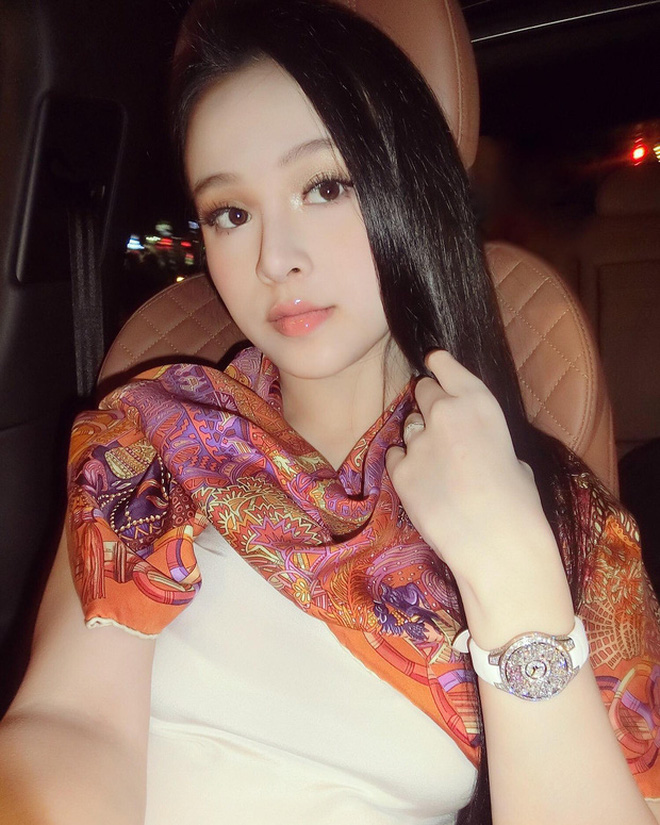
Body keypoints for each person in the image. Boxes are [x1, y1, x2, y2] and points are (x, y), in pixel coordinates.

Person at [2, 1, 660, 823]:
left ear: (406, 191)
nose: (275, 259)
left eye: (324, 187)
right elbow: (74, 723)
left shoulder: (565, 522)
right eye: (231, 213)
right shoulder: (152, 435)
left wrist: (513, 575)